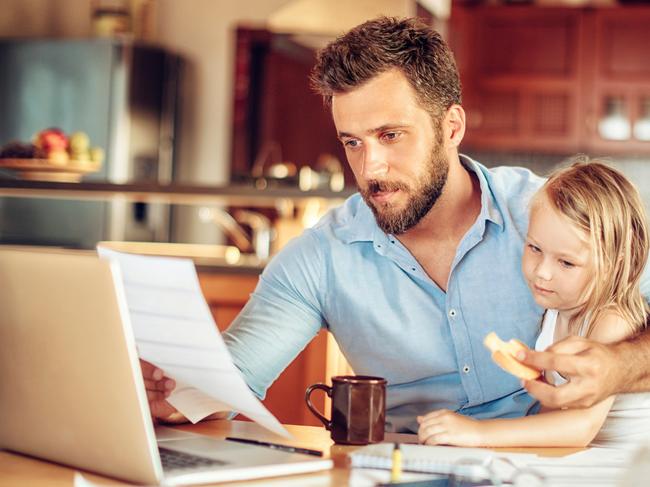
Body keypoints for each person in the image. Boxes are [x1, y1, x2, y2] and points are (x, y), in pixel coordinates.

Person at [142, 16, 650, 433]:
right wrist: (177, 392)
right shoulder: (321, 257)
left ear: (451, 127)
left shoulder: (549, 216)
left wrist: (619, 366)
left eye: (390, 135)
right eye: (353, 142)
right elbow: (234, 375)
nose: (370, 168)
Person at [417, 160, 650, 448]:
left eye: (566, 262)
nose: (542, 271)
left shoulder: (611, 321)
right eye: (535, 248)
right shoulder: (555, 313)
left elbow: (581, 427)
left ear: (614, 266)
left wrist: (478, 433)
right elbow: (551, 416)